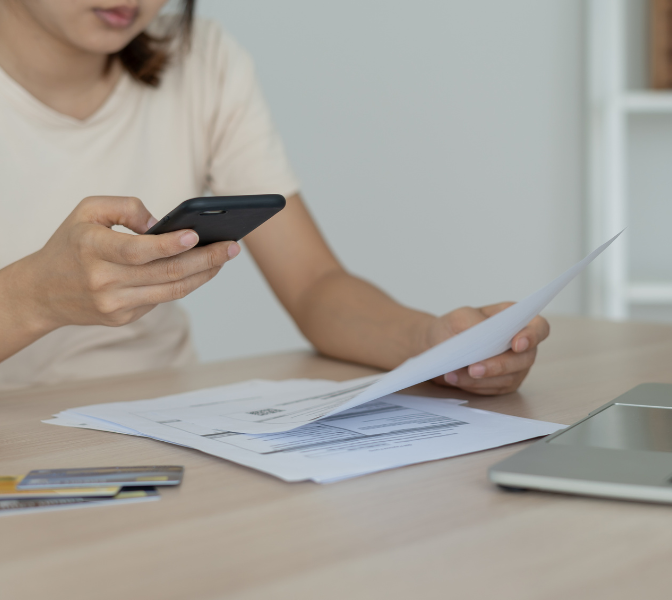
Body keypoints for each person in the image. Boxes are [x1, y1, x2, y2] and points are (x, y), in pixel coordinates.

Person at [0, 0, 549, 392]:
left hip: (155, 427)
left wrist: (434, 345)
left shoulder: (201, 60)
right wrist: (34, 298)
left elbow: (313, 284)